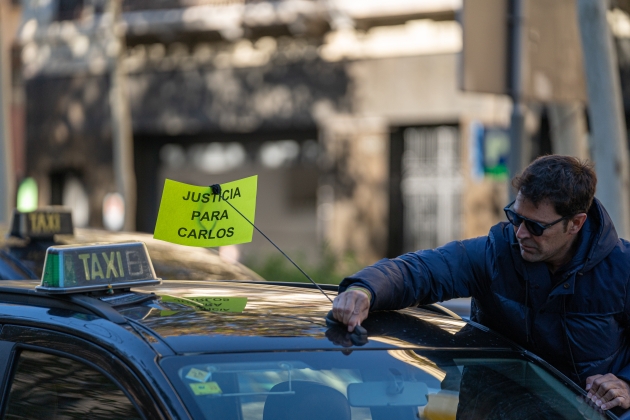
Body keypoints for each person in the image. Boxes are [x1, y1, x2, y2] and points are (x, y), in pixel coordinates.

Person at [332, 155, 630, 411]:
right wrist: (364, 289)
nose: (520, 233)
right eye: (515, 217)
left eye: (536, 227)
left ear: (575, 224)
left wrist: (626, 384)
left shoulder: (623, 269)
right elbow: (421, 270)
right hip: (493, 411)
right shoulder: (494, 253)